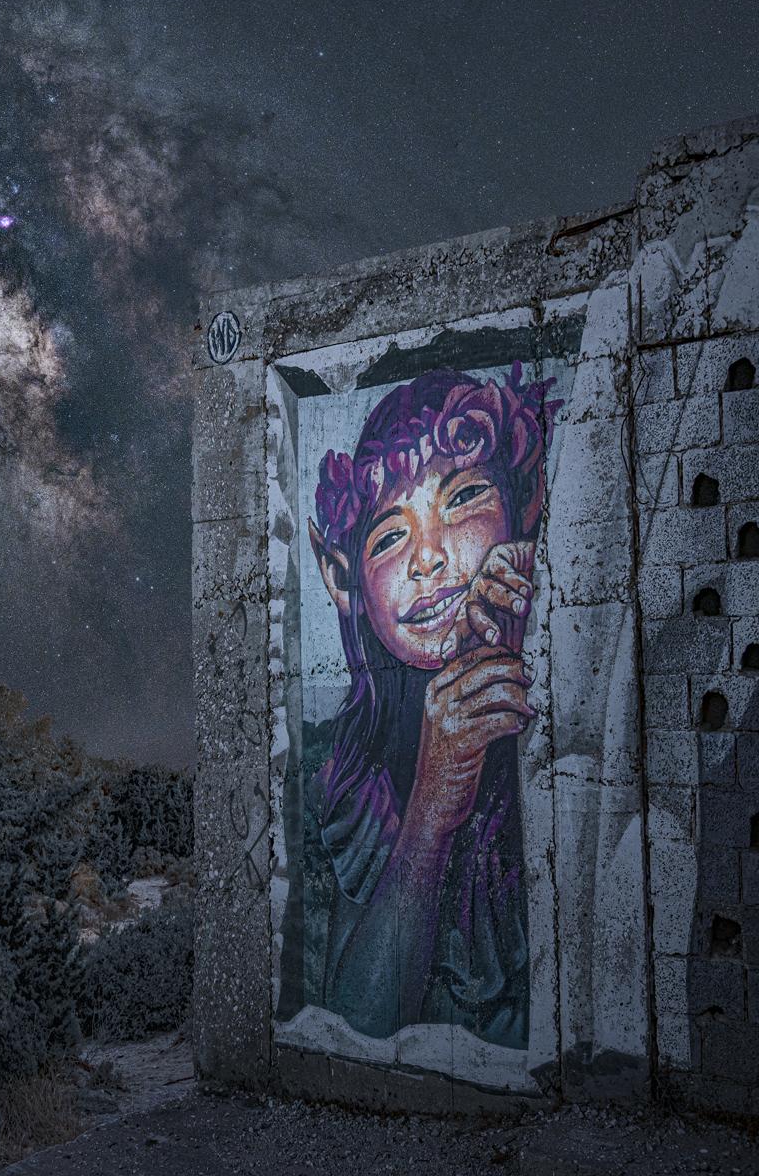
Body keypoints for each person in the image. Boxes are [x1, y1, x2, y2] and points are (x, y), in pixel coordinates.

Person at [306, 363, 556, 1048]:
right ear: (345, 580)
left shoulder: (567, 644)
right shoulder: (363, 766)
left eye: (464, 496)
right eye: (389, 536)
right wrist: (430, 811)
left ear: (526, 498)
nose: (428, 557)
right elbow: (358, 1015)